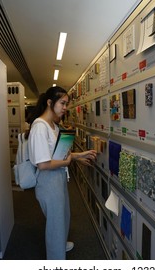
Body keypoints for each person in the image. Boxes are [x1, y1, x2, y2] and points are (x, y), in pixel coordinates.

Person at [26, 86, 97, 260]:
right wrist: (66, 161)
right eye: (62, 103)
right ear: (50, 102)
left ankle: (61, 244)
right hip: (48, 182)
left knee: (64, 216)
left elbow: (58, 155)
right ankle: (56, 259)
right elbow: (43, 164)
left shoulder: (54, 127)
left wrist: (79, 156)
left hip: (58, 178)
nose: (65, 107)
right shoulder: (39, 127)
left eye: (67, 104)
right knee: (55, 225)